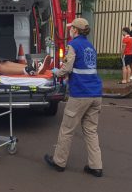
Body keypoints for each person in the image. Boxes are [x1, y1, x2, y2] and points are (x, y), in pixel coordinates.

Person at [44, 18, 103, 177]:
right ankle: (96, 166)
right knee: (91, 131)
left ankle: (59, 162)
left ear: (75, 30)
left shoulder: (73, 45)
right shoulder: (91, 47)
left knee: (67, 129)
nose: (69, 30)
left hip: (80, 94)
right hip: (96, 94)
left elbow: (67, 68)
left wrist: (55, 72)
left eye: (71, 28)